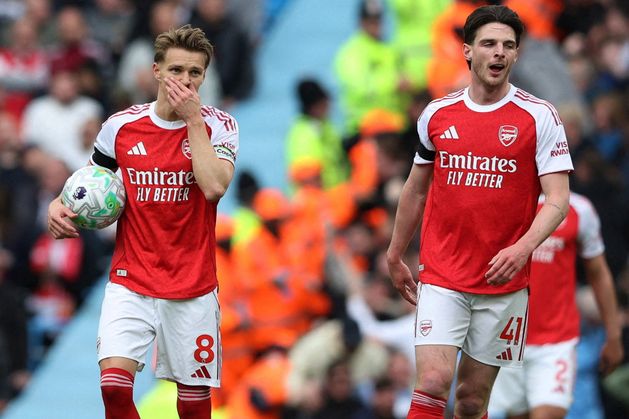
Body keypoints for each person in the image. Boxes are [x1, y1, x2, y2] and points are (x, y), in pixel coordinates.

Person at [386, 5, 574, 419]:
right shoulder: (438, 114)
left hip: (502, 282)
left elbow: (558, 199)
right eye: (489, 43)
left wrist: (522, 249)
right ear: (468, 51)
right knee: (433, 382)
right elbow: (415, 188)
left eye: (508, 45)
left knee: (471, 401)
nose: (499, 52)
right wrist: (395, 252)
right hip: (442, 275)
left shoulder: (539, 117)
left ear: (517, 54)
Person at [47, 24, 239, 419]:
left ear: (205, 76)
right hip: (130, 281)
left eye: (195, 72)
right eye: (176, 70)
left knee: (193, 407)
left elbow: (214, 187)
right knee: (113, 389)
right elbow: (89, 183)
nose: (185, 80)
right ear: (156, 71)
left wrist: (193, 121)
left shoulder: (220, 125)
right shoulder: (120, 126)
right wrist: (58, 204)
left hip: (192, 286)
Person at [488, 192, 623, 419]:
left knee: (548, 413)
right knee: (516, 414)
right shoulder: (505, 199)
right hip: (506, 336)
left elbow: (598, 272)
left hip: (556, 339)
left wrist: (614, 335)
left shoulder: (579, 209)